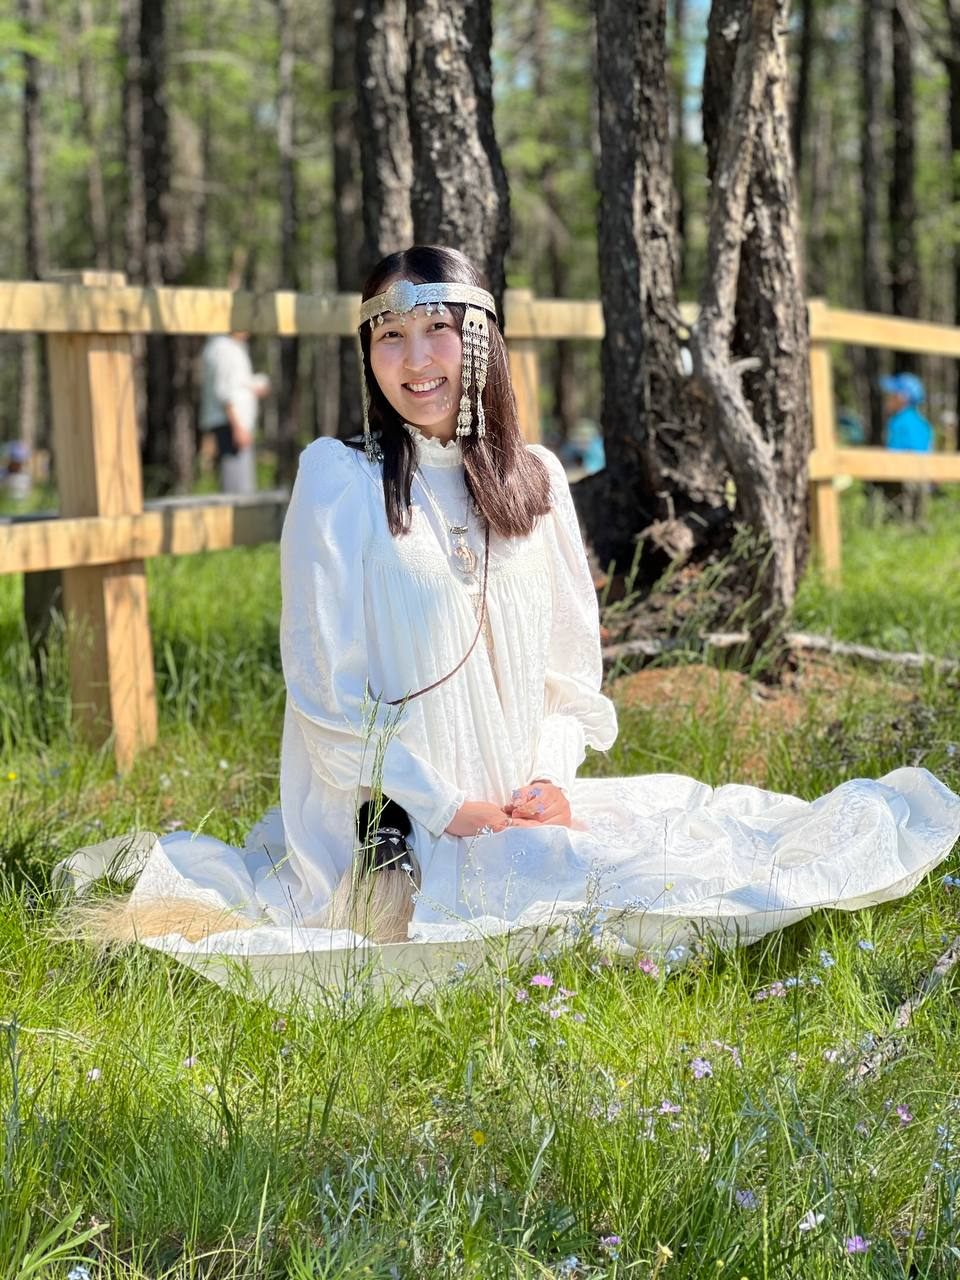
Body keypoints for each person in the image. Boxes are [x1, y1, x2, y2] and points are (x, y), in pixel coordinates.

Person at [57, 246, 960, 1001]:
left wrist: (546, 781)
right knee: (513, 913)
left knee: (690, 862)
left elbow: (571, 677)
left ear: (480, 341)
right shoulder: (339, 479)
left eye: (437, 331)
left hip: (520, 801)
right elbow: (326, 694)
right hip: (394, 818)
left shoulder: (533, 478)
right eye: (390, 338)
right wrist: (448, 808)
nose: (415, 362)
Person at [199, 332, 270, 494]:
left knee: (239, 484)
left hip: (232, 424)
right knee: (237, 489)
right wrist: (238, 428)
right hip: (230, 425)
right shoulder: (224, 349)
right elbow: (225, 393)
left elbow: (235, 384)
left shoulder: (227, 347)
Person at [880, 372, 935, 523]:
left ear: (902, 398)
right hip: (923, 478)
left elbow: (892, 452)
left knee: (900, 519)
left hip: (902, 478)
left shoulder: (898, 422)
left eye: (891, 394)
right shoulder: (924, 424)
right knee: (919, 517)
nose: (888, 398)